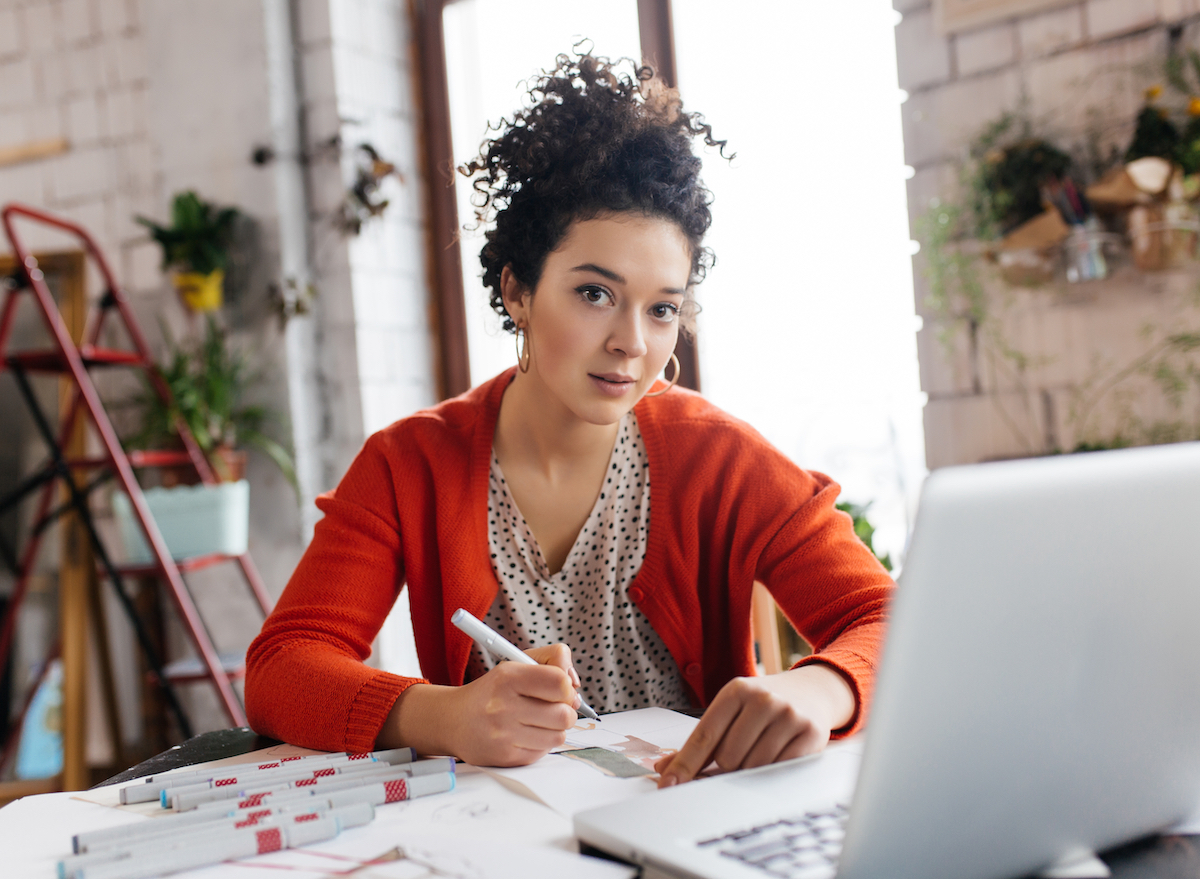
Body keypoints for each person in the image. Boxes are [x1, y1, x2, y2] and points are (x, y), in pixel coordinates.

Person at [245, 51, 893, 788]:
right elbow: (282, 666)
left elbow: (889, 615)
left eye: (662, 309)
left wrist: (820, 685)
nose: (632, 342)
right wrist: (446, 716)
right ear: (517, 290)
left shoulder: (722, 458)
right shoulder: (410, 463)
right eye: (594, 293)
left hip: (687, 827)